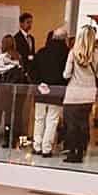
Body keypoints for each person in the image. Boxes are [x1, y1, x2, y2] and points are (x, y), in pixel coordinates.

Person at [57, 24, 98, 163]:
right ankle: (81, 150)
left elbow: (66, 74)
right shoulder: (97, 54)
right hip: (88, 94)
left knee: (71, 125)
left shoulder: (73, 52)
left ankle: (72, 152)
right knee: (83, 123)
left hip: (73, 93)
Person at [29, 26, 70, 154]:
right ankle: (46, 148)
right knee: (52, 119)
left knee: (39, 118)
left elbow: (32, 70)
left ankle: (37, 145)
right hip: (57, 90)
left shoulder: (42, 52)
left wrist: (39, 83)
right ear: (64, 39)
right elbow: (67, 74)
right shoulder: (67, 53)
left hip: (41, 89)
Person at [0, 34, 26, 148]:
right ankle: (7, 140)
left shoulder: (2, 56)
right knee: (8, 116)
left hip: (1, 89)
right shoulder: (18, 56)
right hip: (11, 91)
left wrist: (6, 68)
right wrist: (13, 66)